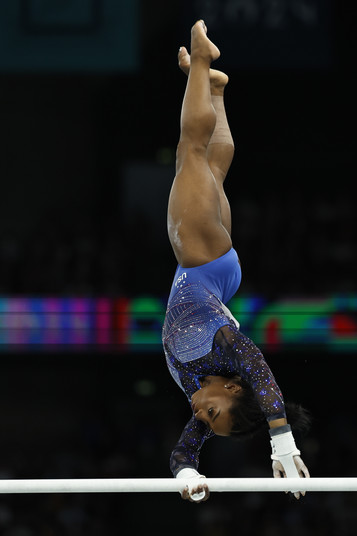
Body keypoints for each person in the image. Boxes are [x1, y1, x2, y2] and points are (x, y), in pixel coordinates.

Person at [162, 20, 310, 503]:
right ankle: (203, 62)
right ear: (233, 388)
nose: (200, 414)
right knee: (190, 153)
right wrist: (281, 439)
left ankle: (216, 90)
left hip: (215, 276)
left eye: (205, 421)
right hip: (202, 260)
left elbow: (184, 453)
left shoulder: (199, 388)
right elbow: (262, 373)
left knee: (213, 170)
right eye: (213, 412)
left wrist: (187, 476)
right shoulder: (230, 353)